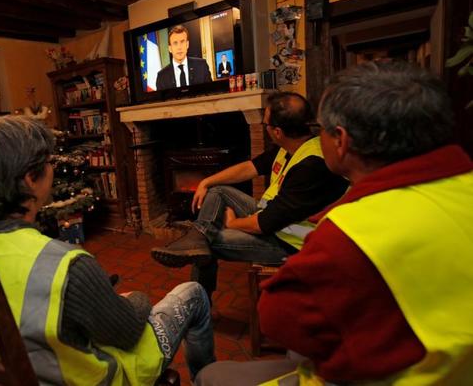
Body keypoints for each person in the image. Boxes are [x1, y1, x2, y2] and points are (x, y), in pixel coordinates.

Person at [195, 61, 473, 385]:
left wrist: (234, 223)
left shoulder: (349, 229)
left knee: (210, 376)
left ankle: (200, 251)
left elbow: (278, 319)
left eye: (322, 127)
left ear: (340, 140)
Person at [0, 115, 215, 385]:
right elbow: (126, 333)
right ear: (29, 180)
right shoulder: (66, 264)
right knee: (193, 294)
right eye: (47, 161)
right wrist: (137, 300)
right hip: (100, 378)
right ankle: (208, 378)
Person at [151, 91, 349, 301]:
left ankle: (197, 306)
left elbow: (263, 224)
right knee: (218, 191)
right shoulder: (292, 146)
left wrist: (234, 223)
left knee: (208, 244)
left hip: (291, 243)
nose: (265, 128)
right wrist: (207, 182)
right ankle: (197, 237)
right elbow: (250, 167)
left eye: (265, 124)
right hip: (274, 219)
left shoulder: (312, 166)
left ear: (278, 131)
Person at [156, 25, 212, 90]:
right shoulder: (162, 76)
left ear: (187, 44)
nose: (179, 47)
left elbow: (211, 92)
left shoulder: (202, 65)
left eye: (182, 42)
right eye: (175, 43)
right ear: (170, 48)